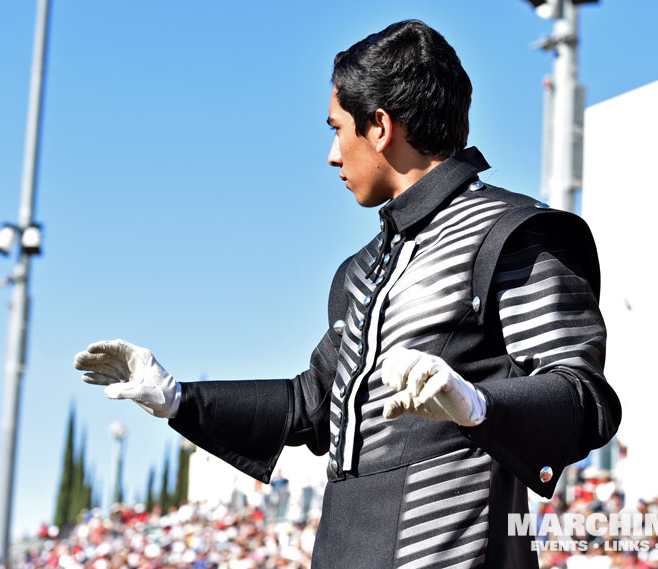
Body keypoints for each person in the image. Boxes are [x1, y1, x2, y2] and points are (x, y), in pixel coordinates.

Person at [74, 19, 621, 568]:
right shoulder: (362, 270)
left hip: (451, 548)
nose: (334, 155)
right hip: (343, 544)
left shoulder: (512, 232)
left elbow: (583, 398)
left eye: (337, 129)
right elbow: (310, 402)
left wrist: (479, 404)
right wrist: (177, 398)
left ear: (379, 126)